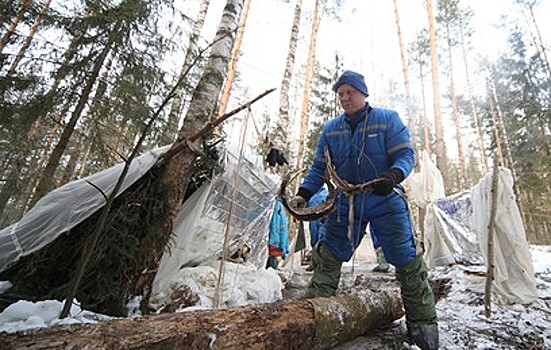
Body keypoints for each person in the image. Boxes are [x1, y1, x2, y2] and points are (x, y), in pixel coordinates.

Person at [289, 70, 438, 349]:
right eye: (340, 93)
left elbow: (406, 154)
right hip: (346, 201)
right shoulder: (331, 129)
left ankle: (423, 326)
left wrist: (393, 176)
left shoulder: (387, 119)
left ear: (363, 93)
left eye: (350, 92)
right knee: (329, 255)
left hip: (385, 197)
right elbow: (318, 168)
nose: (344, 98)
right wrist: (303, 194)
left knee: (406, 258)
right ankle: (310, 318)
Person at [266, 197, 290, 269]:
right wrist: (283, 247)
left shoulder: (276, 205)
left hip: (273, 245)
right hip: (274, 246)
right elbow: (281, 229)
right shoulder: (278, 206)